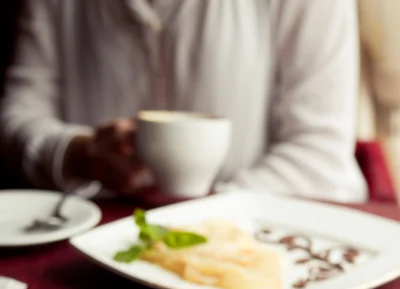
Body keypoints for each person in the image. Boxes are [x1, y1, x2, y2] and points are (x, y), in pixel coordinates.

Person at [0, 0, 367, 203]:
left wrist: (199, 214)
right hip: (89, 244)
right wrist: (82, 153)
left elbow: (320, 153)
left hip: (252, 243)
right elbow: (17, 116)